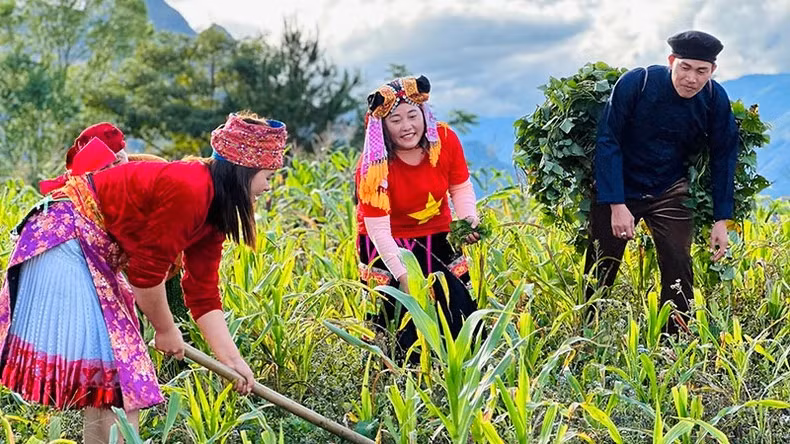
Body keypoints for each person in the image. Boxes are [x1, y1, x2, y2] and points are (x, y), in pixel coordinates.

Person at [0, 112, 286, 443]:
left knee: (112, 387)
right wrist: (166, 330)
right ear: (243, 172)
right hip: (66, 239)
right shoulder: (191, 188)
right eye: (267, 175)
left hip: (84, 248)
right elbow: (145, 275)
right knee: (123, 380)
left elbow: (202, 291)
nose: (268, 186)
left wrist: (233, 360)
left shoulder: (213, 213)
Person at [585, 30, 739, 333]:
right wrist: (616, 204)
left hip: (670, 188)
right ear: (671, 61)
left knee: (679, 264)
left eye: (701, 71)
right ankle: (589, 332)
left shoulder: (713, 97)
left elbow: (724, 156)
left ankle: (676, 338)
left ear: (712, 71)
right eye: (685, 67)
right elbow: (608, 141)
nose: (692, 79)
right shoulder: (637, 83)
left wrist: (723, 219)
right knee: (601, 264)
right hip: (622, 185)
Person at [355, 75, 481, 359]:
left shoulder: (445, 141)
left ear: (424, 115)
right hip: (386, 243)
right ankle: (399, 382)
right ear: (383, 127)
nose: (406, 126)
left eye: (413, 115)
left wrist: (467, 220)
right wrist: (404, 275)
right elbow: (378, 229)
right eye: (395, 120)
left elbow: (459, 185)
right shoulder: (373, 164)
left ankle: (462, 370)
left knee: (457, 312)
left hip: (437, 235)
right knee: (396, 324)